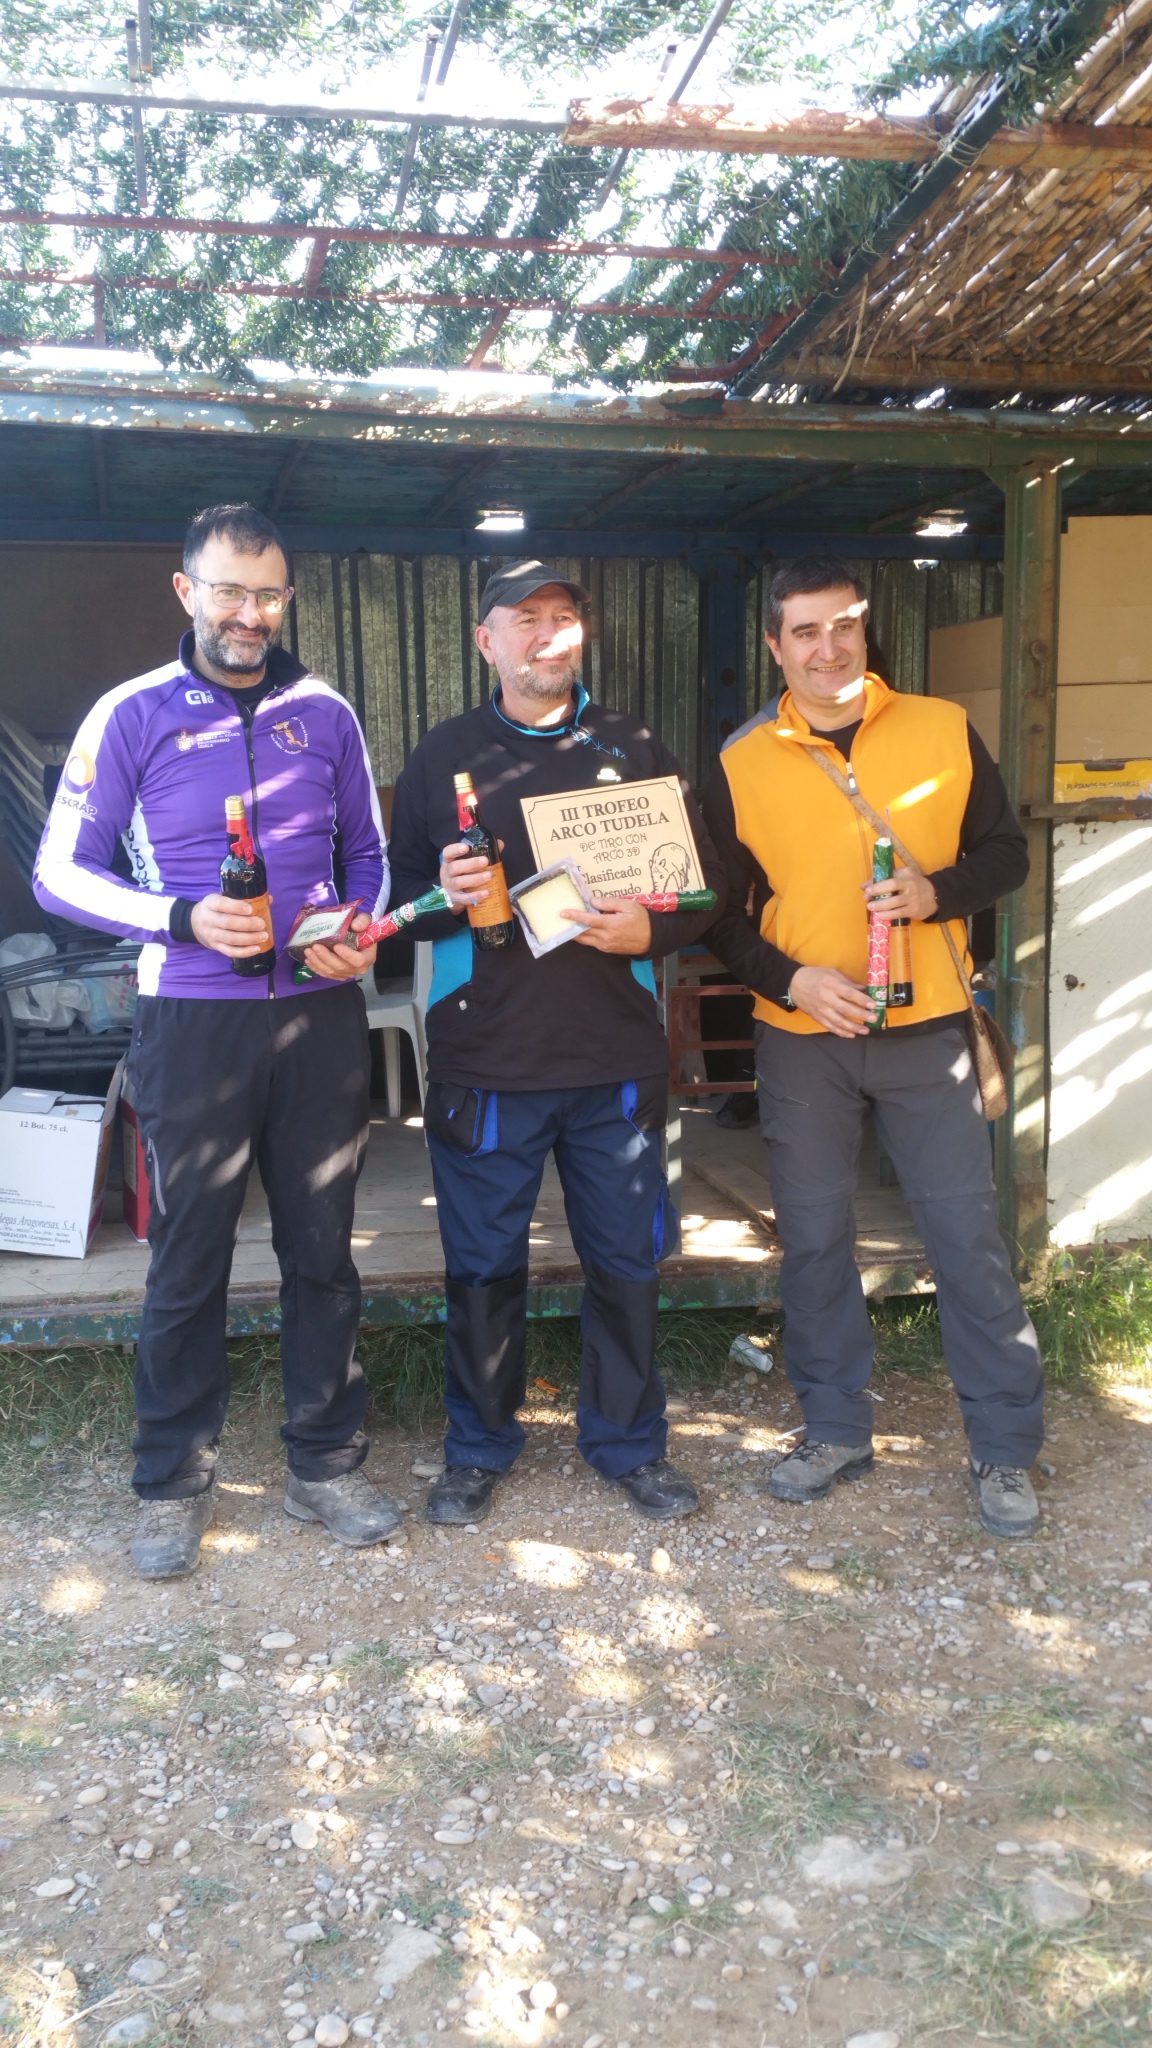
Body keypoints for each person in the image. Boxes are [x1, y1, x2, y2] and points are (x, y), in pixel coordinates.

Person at [34, 503, 402, 1577]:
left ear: (287, 598)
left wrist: (356, 928)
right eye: (231, 590)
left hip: (318, 1016)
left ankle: (325, 1462)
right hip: (192, 1017)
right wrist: (178, 916)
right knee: (188, 1255)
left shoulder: (325, 711)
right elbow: (60, 872)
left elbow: (370, 854)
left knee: (323, 1249)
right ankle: (171, 1482)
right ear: (187, 590)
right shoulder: (131, 712)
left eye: (269, 593)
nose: (250, 613)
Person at [702, 556, 1044, 1539]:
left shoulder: (942, 728)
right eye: (805, 631)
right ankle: (834, 1427)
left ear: (866, 627)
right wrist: (790, 980)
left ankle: (1005, 1445)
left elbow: (1008, 853)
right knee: (813, 1240)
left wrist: (937, 892)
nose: (828, 647)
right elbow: (718, 913)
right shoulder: (739, 762)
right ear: (776, 646)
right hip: (804, 1037)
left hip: (928, 1025)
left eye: (844, 624)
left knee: (965, 1238)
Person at [386, 559, 724, 1525]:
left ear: (582, 634)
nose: (547, 634)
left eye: (564, 617)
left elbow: (704, 892)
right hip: (486, 1062)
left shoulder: (635, 746)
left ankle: (628, 1444)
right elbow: (396, 906)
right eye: (524, 618)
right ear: (486, 641)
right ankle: (478, 1446)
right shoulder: (444, 754)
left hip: (614, 1062)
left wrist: (650, 930)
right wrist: (442, 892)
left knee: (626, 1263)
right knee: (482, 1267)